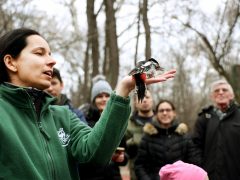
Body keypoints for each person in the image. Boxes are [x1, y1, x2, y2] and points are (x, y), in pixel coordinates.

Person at [0, 28, 176, 179]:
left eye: (50, 54)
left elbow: (96, 154)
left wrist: (123, 89)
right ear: (10, 62)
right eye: (39, 53)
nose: (52, 61)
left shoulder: (62, 116)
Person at [134, 100, 201, 180]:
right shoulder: (148, 137)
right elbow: (139, 166)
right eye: (161, 110)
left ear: (174, 113)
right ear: (156, 114)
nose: (165, 113)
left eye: (168, 110)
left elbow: (194, 162)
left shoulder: (184, 136)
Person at [78, 75, 128, 179]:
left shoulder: (118, 121)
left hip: (113, 175)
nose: (104, 99)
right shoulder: (84, 121)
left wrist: (122, 158)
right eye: (100, 96)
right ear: (93, 100)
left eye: (107, 95)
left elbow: (124, 151)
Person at [192, 79, 240, 180]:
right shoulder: (204, 118)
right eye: (216, 91)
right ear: (212, 97)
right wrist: (201, 170)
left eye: (224, 90)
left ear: (232, 95)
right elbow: (194, 147)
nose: (220, 92)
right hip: (209, 176)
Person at [125, 90, 154, 180]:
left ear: (152, 100)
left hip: (161, 172)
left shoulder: (161, 121)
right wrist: (132, 142)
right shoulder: (127, 124)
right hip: (136, 174)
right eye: (141, 97)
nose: (144, 100)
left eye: (147, 97)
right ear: (135, 103)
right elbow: (122, 151)